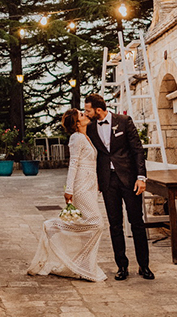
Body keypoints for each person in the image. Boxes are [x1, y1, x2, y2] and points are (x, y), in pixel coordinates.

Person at [26, 108, 107, 282]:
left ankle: (83, 264)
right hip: (81, 186)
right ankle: (53, 225)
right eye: (81, 114)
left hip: (91, 186)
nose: (85, 115)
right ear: (77, 123)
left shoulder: (86, 137)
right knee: (97, 223)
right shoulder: (76, 138)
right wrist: (69, 189)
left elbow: (90, 163)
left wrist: (97, 183)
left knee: (90, 223)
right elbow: (74, 164)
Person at [83, 93, 154, 281]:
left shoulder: (123, 121)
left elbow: (137, 150)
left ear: (98, 109)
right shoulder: (89, 128)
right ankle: (122, 266)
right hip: (108, 182)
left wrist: (141, 177)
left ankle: (144, 265)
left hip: (130, 180)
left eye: (88, 110)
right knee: (115, 225)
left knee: (136, 222)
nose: (86, 113)